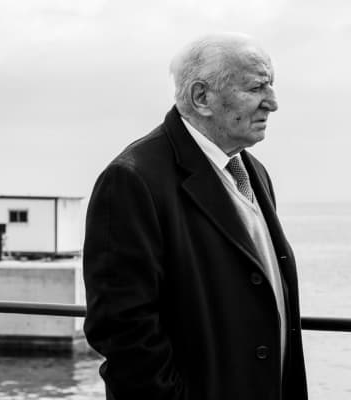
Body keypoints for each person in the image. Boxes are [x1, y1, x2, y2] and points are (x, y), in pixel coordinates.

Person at [82, 33, 308, 400]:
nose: (273, 102)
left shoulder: (254, 172)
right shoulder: (132, 179)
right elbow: (123, 331)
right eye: (256, 87)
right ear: (202, 97)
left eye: (271, 85)